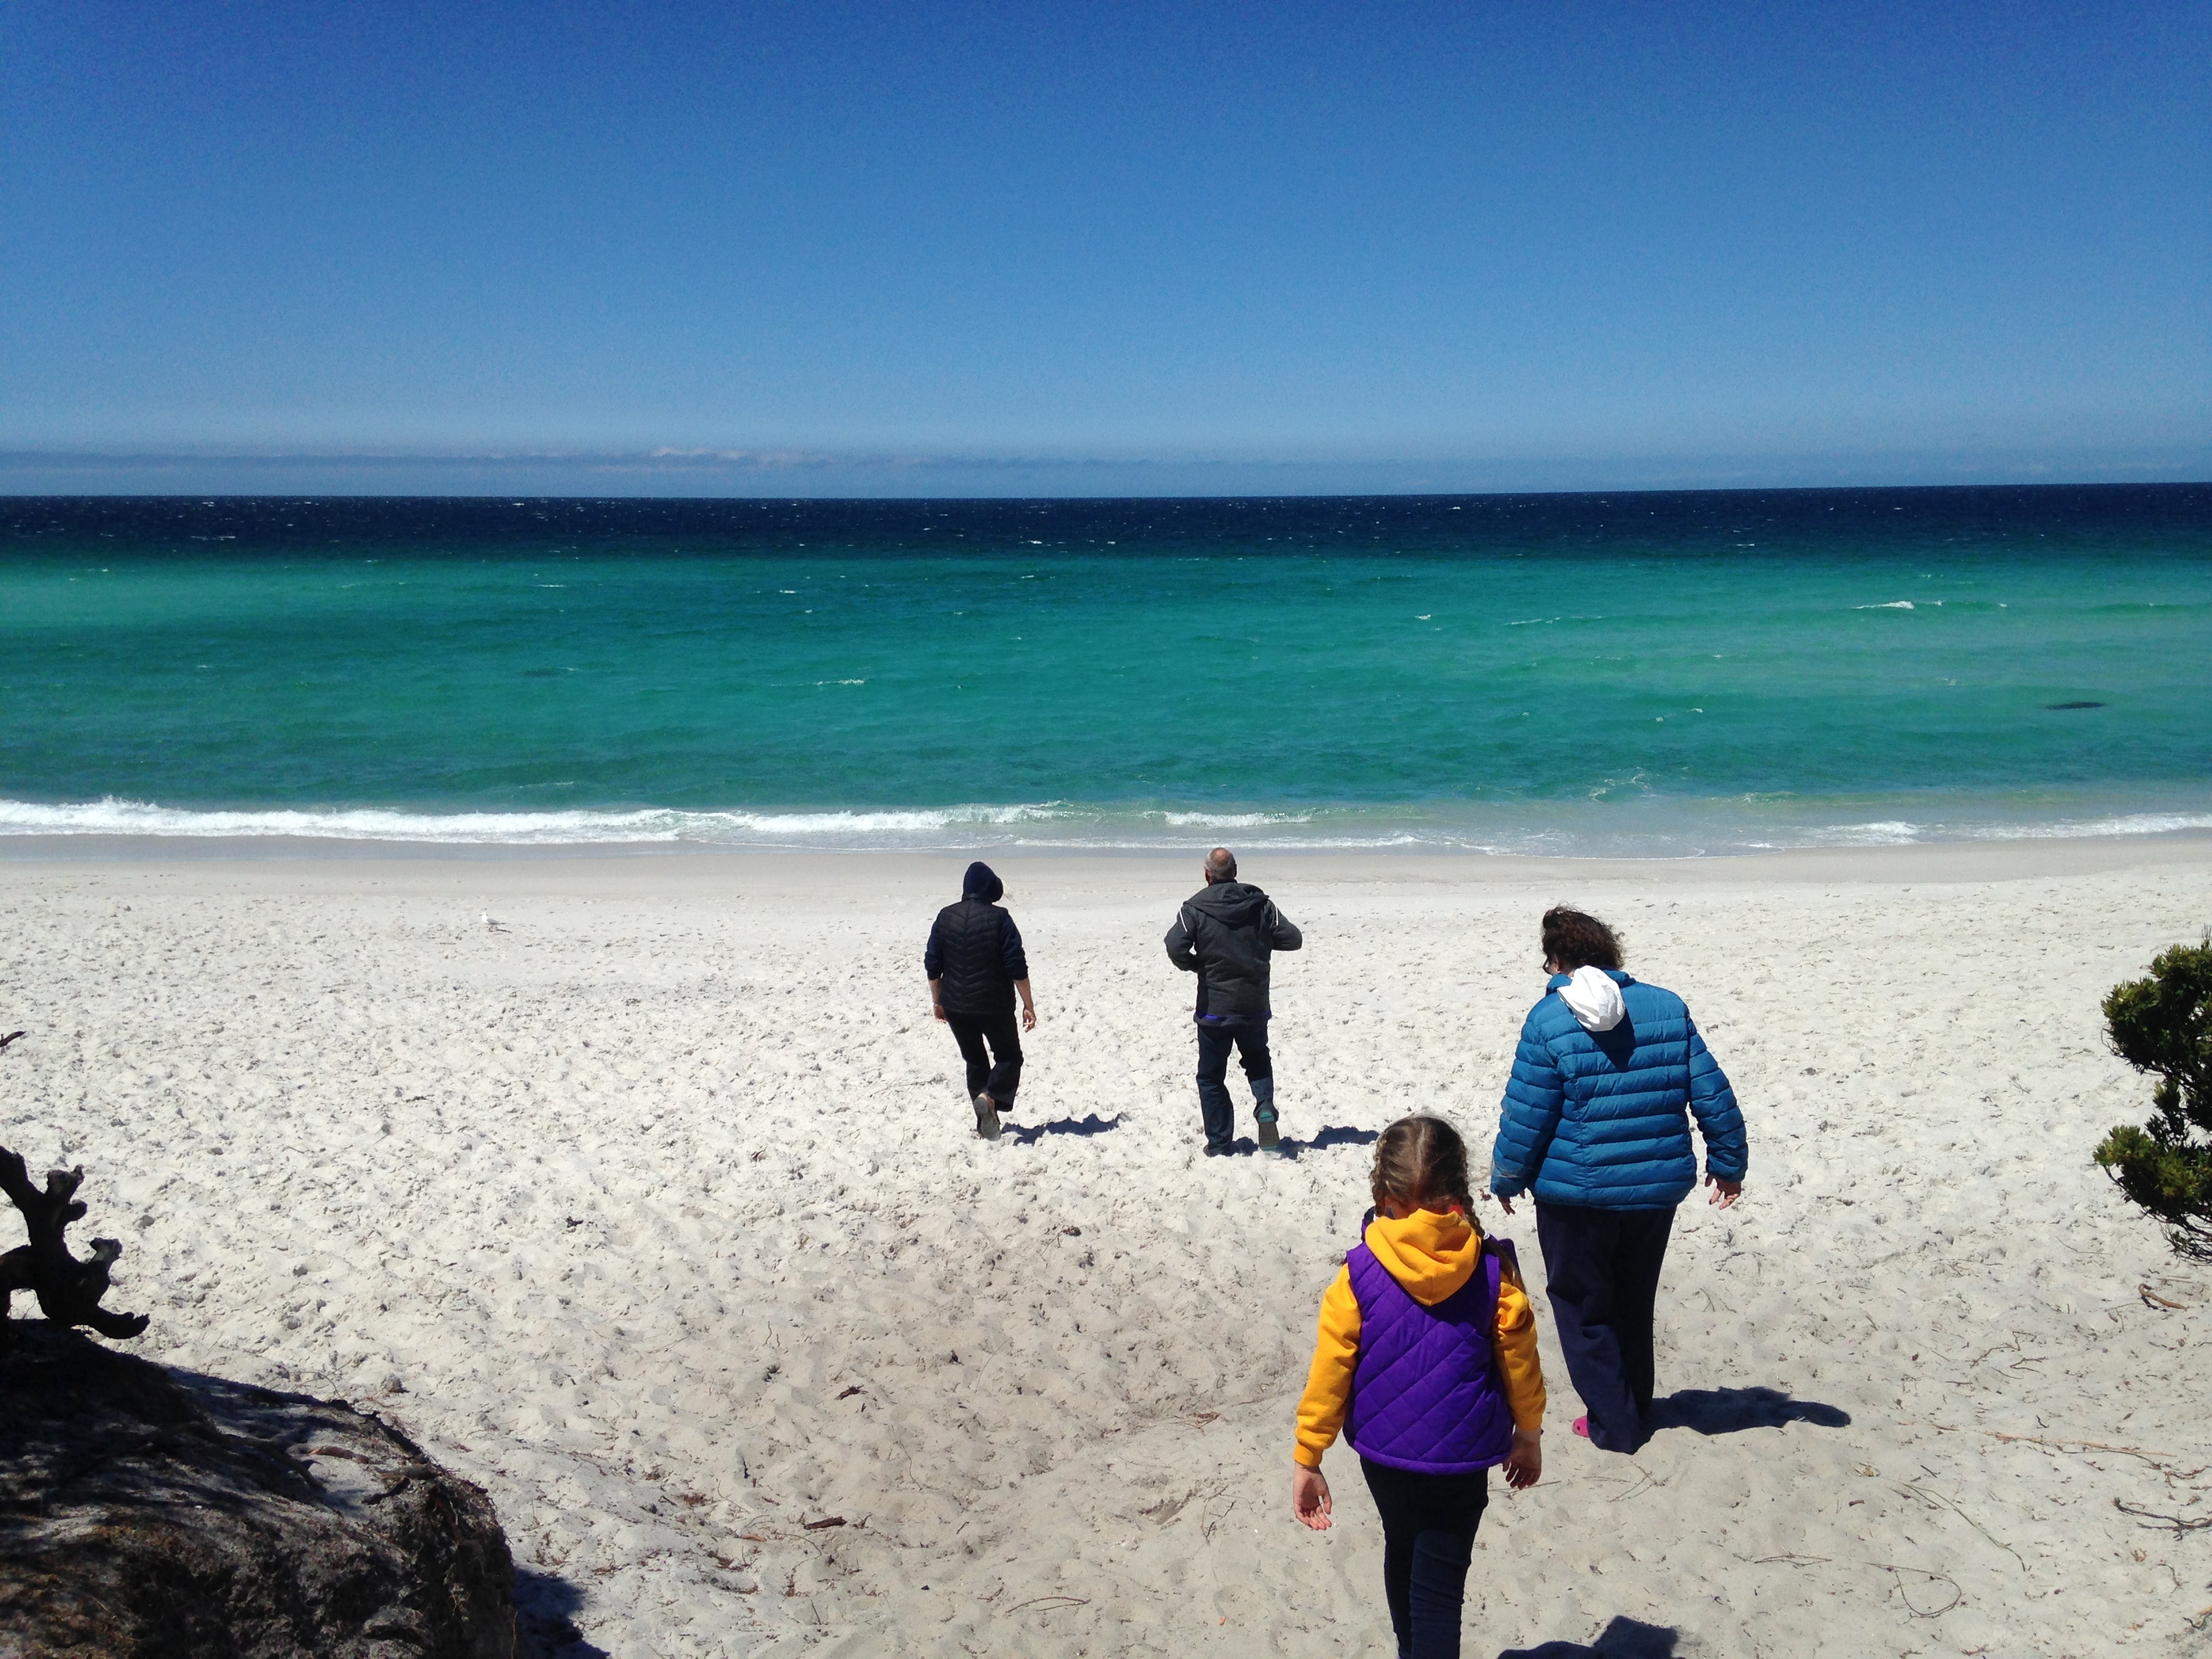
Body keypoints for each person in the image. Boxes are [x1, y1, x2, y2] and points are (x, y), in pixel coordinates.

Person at [1488, 905, 1748, 1454]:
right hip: (1654, 1190)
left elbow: (1528, 1113)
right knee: (1633, 1301)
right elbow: (1713, 1094)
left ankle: (1616, 1423)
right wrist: (1728, 1163)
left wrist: (1508, 1176)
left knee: (1582, 1308)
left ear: (1557, 959)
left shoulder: (1549, 1019)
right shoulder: (1666, 1007)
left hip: (1574, 1197)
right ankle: (1634, 1407)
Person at [1290, 1115, 1545, 1659]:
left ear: (1384, 1194)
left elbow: (1331, 1369)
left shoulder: (1357, 1272)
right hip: (1462, 1455)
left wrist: (1309, 1456)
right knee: (1439, 1589)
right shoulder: (1492, 1271)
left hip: (1384, 1451)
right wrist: (1529, 1433)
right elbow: (1520, 1362)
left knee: (1402, 1548)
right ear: (1458, 1189)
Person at [1164, 846, 1302, 1154]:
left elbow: (1174, 946)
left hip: (1215, 1009)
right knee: (1257, 1059)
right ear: (1236, 872)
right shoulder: (1261, 905)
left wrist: (1196, 965)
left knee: (1211, 1077)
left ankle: (1219, 1143)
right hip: (1254, 1004)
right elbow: (1293, 938)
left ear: (1207, 875)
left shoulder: (1194, 908)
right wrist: (1259, 945)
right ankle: (1264, 1105)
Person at [924, 861, 1037, 1141]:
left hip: (955, 1004)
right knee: (1009, 1057)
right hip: (994, 1005)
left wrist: (937, 1001)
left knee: (975, 1061)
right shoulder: (1001, 918)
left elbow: (933, 964)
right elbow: (1016, 966)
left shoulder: (945, 916)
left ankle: (984, 1124)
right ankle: (990, 1096)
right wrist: (1028, 1004)